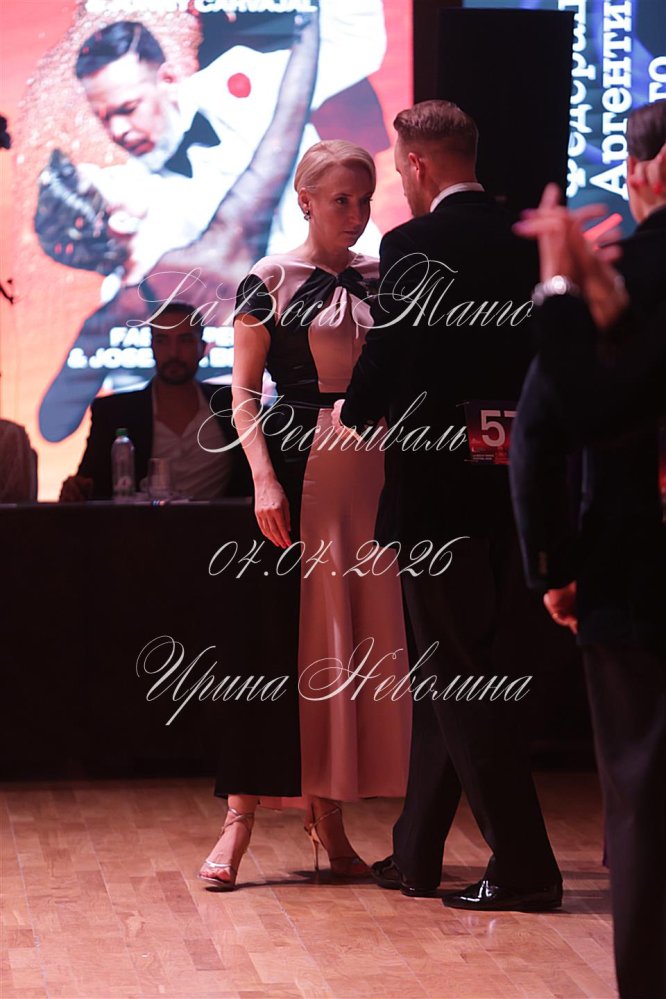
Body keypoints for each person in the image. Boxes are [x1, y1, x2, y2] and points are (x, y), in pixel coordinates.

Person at [333, 100, 562, 910]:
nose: (401, 180)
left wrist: (354, 408)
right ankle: (417, 853)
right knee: (451, 670)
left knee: (460, 677)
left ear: (418, 164)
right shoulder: (527, 237)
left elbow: (392, 347)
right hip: (516, 483)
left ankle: (525, 865)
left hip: (438, 488)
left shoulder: (412, 245)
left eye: (400, 168)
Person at [198, 139, 411, 891]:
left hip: (373, 468)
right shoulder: (268, 279)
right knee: (269, 647)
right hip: (295, 467)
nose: (356, 214)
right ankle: (239, 819)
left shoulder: (383, 276)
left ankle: (330, 818)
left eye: (365, 199)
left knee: (346, 643)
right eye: (342, 200)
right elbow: (242, 393)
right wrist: (263, 479)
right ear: (306, 200)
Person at [510, 104, 666, 999]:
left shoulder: (630, 277)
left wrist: (554, 567)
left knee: (643, 799)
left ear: (644, 173)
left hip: (636, 571)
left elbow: (546, 430)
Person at [70, 7, 385, 286]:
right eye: (104, 117)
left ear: (167, 79)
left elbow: (358, 45)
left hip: (361, 293)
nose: (117, 130)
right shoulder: (130, 200)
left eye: (128, 109)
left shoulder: (239, 79)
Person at [59, 301, 249, 501]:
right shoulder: (114, 413)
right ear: (151, 346)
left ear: (203, 347)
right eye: (162, 340)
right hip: (138, 521)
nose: (173, 352)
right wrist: (75, 491)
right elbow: (88, 483)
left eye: (184, 340)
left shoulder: (233, 406)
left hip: (218, 521)